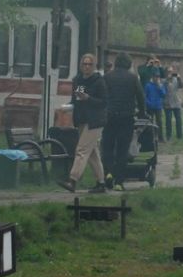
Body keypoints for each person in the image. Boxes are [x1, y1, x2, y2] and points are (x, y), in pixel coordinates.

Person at [58, 53, 109, 193]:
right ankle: (101, 183)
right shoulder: (78, 81)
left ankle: (72, 180)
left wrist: (89, 98)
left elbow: (103, 102)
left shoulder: (99, 82)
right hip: (81, 119)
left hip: (95, 121)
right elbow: (77, 99)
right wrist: (67, 107)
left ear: (94, 66)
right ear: (81, 65)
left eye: (89, 64)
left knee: (81, 150)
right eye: (84, 64)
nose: (86, 66)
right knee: (92, 153)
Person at [102, 52, 146, 190]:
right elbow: (141, 96)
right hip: (126, 117)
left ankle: (108, 173)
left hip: (109, 117)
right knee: (122, 150)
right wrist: (142, 113)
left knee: (107, 147)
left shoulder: (107, 77)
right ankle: (119, 182)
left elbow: (102, 95)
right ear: (128, 64)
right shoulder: (133, 78)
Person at [163, 66, 183, 140]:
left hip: (176, 102)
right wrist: (167, 80)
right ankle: (168, 135)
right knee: (168, 120)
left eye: (171, 71)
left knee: (178, 119)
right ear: (166, 73)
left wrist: (179, 78)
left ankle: (179, 135)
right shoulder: (164, 81)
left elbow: (182, 86)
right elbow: (162, 88)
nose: (170, 73)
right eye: (169, 71)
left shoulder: (176, 79)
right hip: (167, 103)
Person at [144, 73, 166, 141]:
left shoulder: (161, 85)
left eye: (157, 77)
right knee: (150, 122)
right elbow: (145, 96)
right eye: (155, 77)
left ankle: (160, 137)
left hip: (158, 106)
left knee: (159, 122)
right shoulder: (148, 85)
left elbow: (163, 95)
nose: (156, 78)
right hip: (150, 107)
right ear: (152, 77)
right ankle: (150, 137)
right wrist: (148, 103)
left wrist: (159, 87)